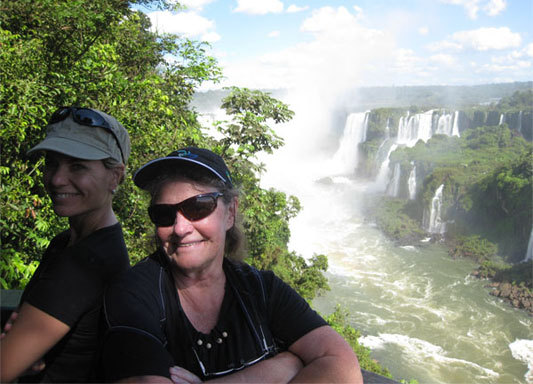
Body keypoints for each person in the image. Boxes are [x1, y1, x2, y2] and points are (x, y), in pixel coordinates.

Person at [101, 147, 363, 383]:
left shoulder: (261, 290)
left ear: (230, 212)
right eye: (164, 214)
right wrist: (280, 370)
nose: (180, 228)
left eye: (198, 207)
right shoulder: (134, 296)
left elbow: (343, 368)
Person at [0, 107, 131, 382]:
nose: (57, 179)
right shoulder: (68, 242)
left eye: (78, 166)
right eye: (52, 162)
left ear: (115, 176)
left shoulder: (88, 262)